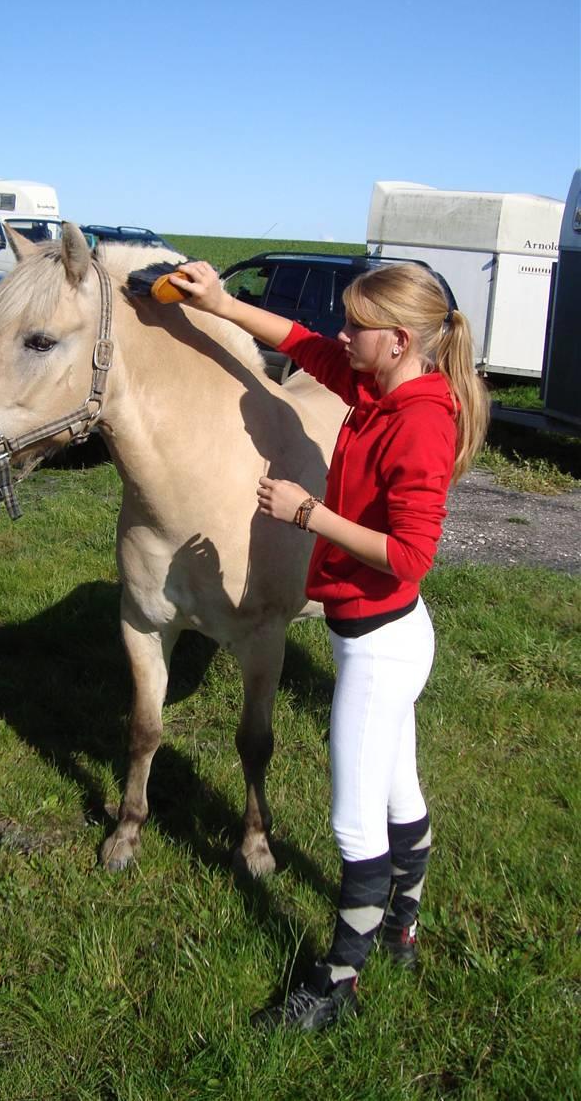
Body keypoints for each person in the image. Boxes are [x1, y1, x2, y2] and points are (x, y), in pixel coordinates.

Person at [166, 258, 490, 1032]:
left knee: (354, 821)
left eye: (358, 327)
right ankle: (404, 925)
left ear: (399, 340)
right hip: (384, 634)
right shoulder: (383, 388)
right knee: (399, 791)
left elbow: (411, 554)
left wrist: (306, 512)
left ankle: (336, 983)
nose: (342, 336)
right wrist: (221, 302)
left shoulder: (418, 420)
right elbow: (305, 344)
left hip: (381, 645)